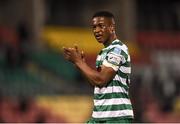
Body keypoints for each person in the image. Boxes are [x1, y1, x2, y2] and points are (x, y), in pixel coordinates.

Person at [63, 11, 134, 123]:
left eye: (101, 26)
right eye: (94, 27)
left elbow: (101, 80)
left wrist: (78, 62)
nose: (96, 31)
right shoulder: (102, 53)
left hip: (116, 117)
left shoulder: (118, 49)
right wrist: (80, 66)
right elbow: (97, 85)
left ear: (112, 27)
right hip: (99, 116)